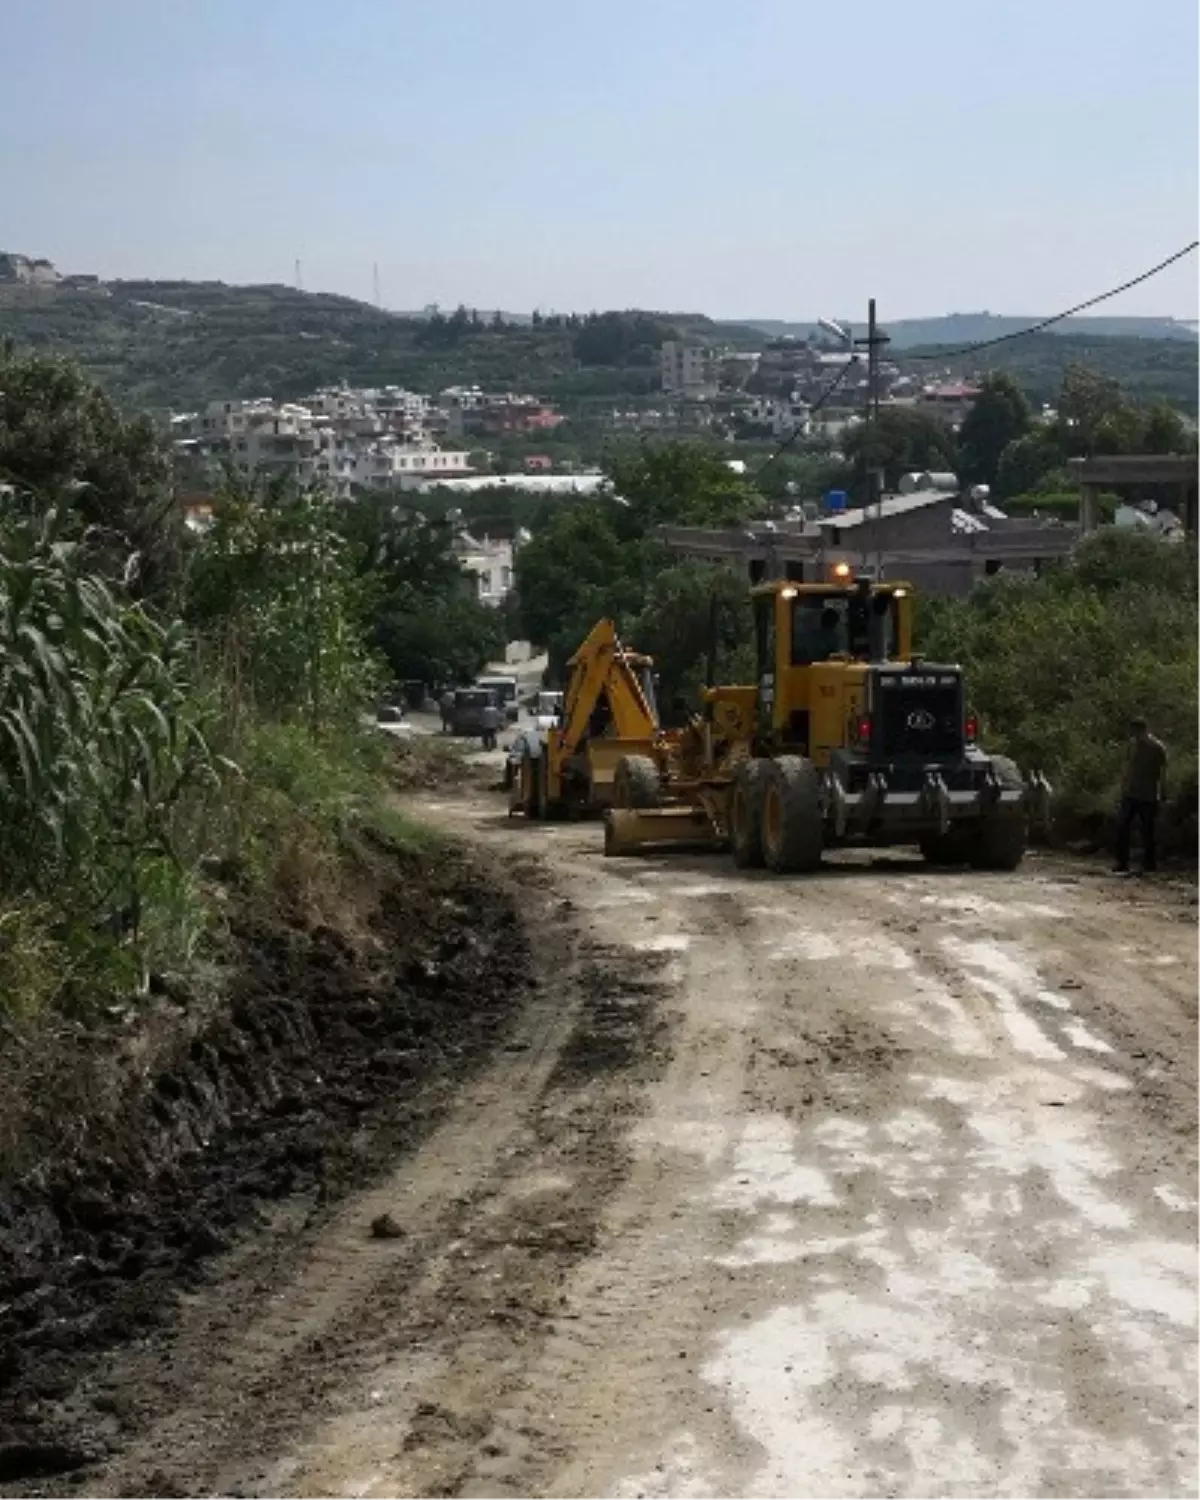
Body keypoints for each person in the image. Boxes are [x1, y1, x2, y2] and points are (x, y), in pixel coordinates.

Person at [1115, 717, 1167, 874]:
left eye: (1135, 730)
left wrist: (1163, 792)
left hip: (1148, 794)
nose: (1133, 734)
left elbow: (1163, 772)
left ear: (1142, 730)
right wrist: (1123, 786)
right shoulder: (1132, 745)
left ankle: (1149, 863)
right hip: (1131, 792)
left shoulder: (1157, 747)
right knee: (1122, 827)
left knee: (1147, 830)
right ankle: (1122, 862)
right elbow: (1128, 767)